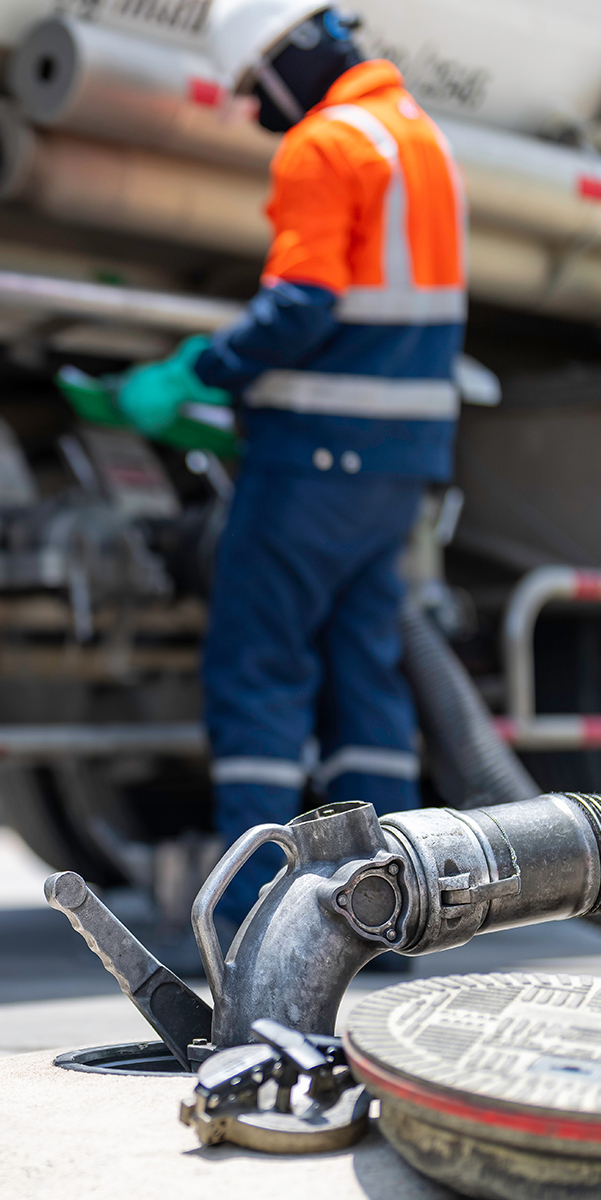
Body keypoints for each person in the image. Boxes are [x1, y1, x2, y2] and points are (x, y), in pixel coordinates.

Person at [117, 3, 467, 925]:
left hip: (313, 460)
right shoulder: (416, 136)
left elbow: (301, 308)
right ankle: (385, 918)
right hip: (399, 463)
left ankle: (257, 922)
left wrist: (201, 368)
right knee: (366, 680)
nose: (251, 109)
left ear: (284, 61)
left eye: (249, 88)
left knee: (258, 667)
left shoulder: (323, 144)